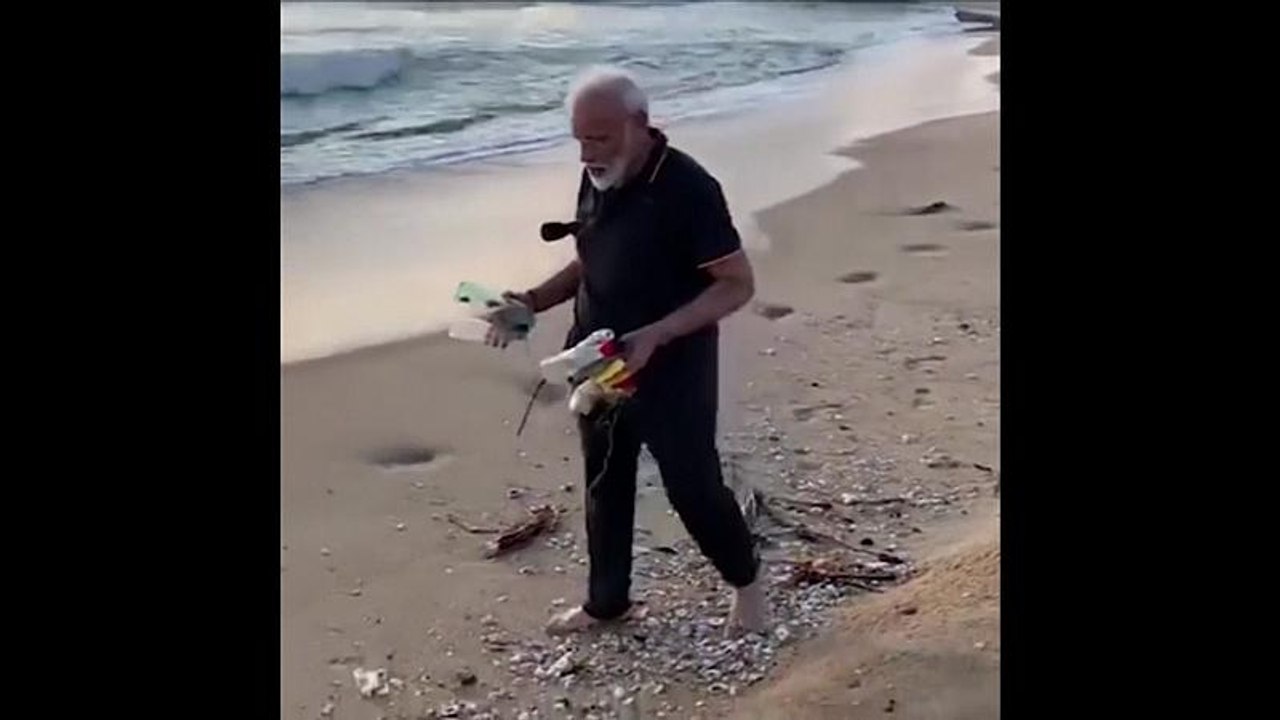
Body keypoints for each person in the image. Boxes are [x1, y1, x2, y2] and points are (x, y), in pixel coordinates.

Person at [493, 66, 768, 636]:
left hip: (673, 365)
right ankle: (606, 603)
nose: (587, 153)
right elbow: (592, 257)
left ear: (640, 123)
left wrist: (658, 334)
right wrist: (533, 301)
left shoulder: (689, 189)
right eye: (579, 139)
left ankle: (747, 585)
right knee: (605, 481)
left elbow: (736, 284)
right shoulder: (598, 175)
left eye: (600, 137)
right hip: (594, 359)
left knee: (692, 487)